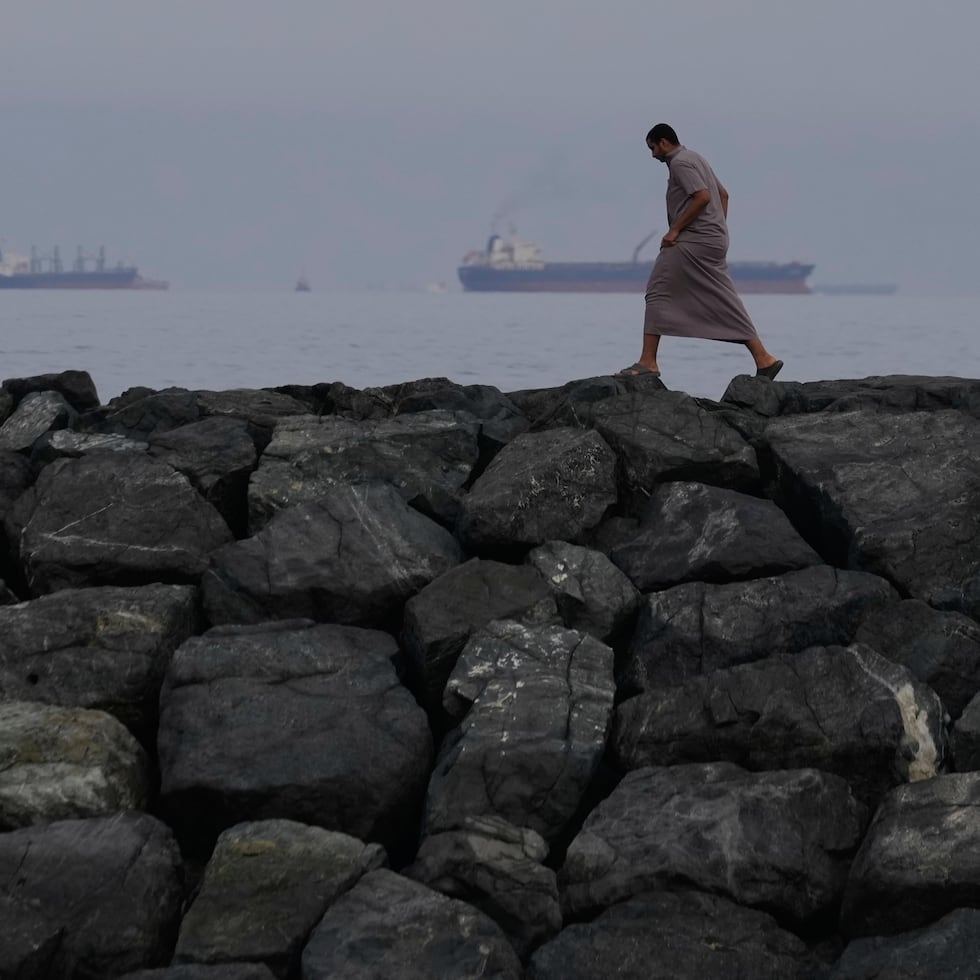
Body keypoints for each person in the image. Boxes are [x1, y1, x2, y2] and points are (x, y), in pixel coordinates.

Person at [616, 123, 783, 380]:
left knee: (657, 290)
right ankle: (763, 358)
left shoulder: (680, 163)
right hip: (713, 240)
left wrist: (675, 230)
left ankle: (648, 361)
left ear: (664, 142)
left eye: (652, 148)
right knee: (723, 297)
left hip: (692, 240)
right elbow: (723, 195)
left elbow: (703, 196)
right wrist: (717, 228)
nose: (653, 155)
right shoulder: (696, 157)